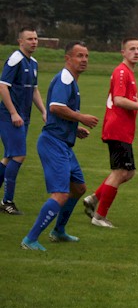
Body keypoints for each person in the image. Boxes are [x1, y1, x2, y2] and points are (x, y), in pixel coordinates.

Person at [20, 41, 99, 251]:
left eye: (86, 56)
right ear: (68, 58)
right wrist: (81, 118)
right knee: (61, 194)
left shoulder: (71, 79)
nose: (84, 60)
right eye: (79, 56)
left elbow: (59, 111)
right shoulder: (65, 77)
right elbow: (55, 107)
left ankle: (58, 231)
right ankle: (30, 239)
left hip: (63, 143)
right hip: (53, 143)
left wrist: (74, 129)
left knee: (78, 188)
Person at [82, 38, 138, 228]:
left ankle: (94, 198)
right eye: (132, 49)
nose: (136, 52)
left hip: (123, 130)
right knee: (120, 172)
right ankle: (99, 216)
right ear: (123, 52)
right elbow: (119, 100)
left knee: (128, 172)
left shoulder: (128, 72)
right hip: (117, 129)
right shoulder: (122, 72)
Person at [0, 28, 46, 215]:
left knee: (9, 157)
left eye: (35, 38)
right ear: (20, 41)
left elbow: (34, 90)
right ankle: (7, 201)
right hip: (10, 116)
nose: (34, 41)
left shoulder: (33, 63)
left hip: (23, 117)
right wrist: (13, 113)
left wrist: (44, 111)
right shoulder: (15, 59)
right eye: (30, 39)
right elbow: (2, 86)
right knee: (19, 155)